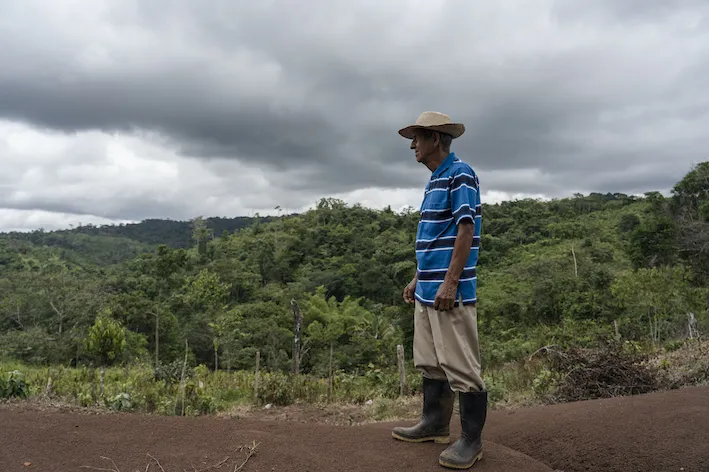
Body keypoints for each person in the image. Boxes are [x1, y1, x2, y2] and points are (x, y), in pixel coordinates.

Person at [391, 111, 487, 470]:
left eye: (417, 138)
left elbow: (466, 230)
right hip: (428, 288)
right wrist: (419, 278)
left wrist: (450, 282)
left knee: (461, 365)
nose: (413, 145)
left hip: (450, 291)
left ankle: (471, 442)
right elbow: (434, 237)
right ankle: (434, 425)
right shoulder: (435, 180)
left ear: (435, 138)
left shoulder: (460, 174)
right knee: (430, 362)